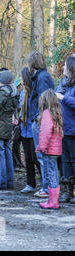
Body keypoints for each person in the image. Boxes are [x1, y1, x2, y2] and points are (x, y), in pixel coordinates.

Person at [28, 51, 54, 198]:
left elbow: (45, 100)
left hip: (41, 121)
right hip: (39, 120)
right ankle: (48, 187)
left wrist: (39, 118)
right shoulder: (40, 77)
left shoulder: (42, 78)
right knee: (43, 157)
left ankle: (47, 188)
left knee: (43, 157)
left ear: (33, 63)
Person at [36, 89, 63, 209]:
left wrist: (41, 146)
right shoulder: (57, 113)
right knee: (54, 173)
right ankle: (53, 200)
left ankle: (53, 201)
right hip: (56, 149)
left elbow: (45, 132)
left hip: (49, 149)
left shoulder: (47, 113)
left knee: (51, 174)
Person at [56, 53, 75, 204]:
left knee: (74, 161)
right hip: (64, 129)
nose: (63, 67)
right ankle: (68, 192)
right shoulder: (66, 84)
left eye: (65, 65)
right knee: (66, 161)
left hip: (73, 129)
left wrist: (63, 98)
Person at [19, 67, 42, 193]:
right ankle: (30, 183)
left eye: (21, 77)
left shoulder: (34, 91)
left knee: (36, 158)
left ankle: (45, 183)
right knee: (28, 158)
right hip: (24, 129)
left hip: (33, 129)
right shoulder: (22, 93)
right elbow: (19, 108)